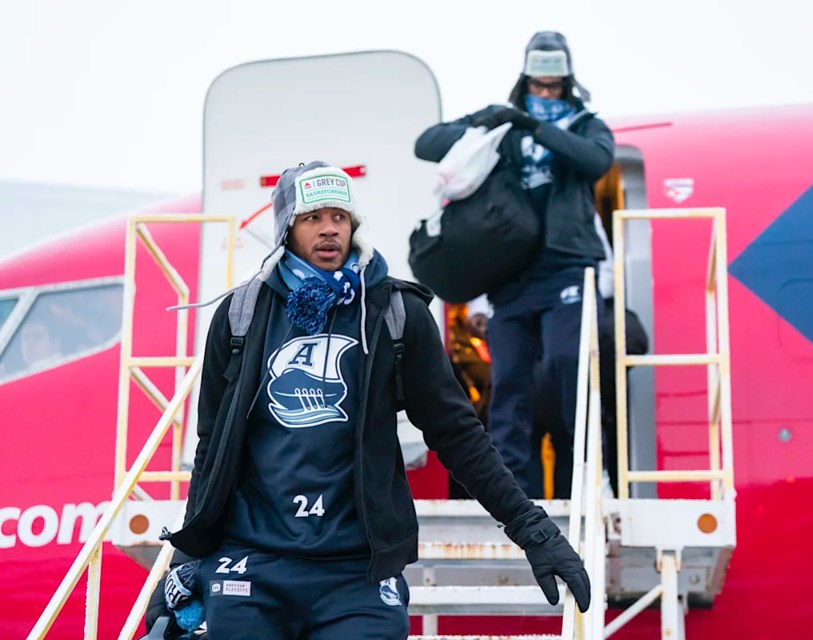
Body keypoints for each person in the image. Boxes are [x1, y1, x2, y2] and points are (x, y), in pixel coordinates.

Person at [145, 162, 589, 639]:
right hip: (253, 563)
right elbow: (213, 446)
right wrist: (187, 557)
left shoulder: (398, 315)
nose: (329, 228)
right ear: (286, 229)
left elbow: (457, 434)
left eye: (339, 216)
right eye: (312, 217)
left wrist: (532, 529)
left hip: (358, 574)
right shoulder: (240, 316)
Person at [414, 31, 614, 495]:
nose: (546, 94)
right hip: (510, 273)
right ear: (525, 80)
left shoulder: (585, 124)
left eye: (554, 86)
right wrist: (483, 122)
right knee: (508, 385)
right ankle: (510, 493)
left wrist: (534, 126)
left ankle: (593, 472)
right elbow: (425, 144)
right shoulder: (502, 128)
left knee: (569, 363)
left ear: (568, 84)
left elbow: (597, 160)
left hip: (567, 266)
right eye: (538, 85)